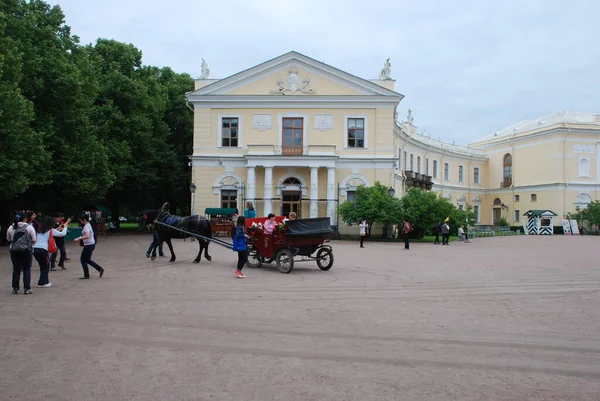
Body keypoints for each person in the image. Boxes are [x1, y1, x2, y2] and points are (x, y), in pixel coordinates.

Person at [7, 211, 37, 294]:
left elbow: (9, 239)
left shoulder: (11, 227)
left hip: (14, 250)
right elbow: (34, 239)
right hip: (26, 250)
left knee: (16, 269)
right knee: (26, 269)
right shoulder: (29, 227)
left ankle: (15, 288)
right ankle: (27, 288)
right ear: (25, 218)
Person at [33, 217, 64, 288]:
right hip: (43, 250)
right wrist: (65, 228)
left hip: (35, 249)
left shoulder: (39, 230)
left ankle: (45, 281)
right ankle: (41, 283)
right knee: (46, 266)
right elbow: (62, 234)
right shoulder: (50, 230)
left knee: (43, 265)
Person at [73, 213, 105, 279]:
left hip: (89, 245)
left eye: (81, 220)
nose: (80, 222)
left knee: (83, 260)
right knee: (87, 259)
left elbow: (87, 236)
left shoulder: (86, 226)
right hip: (90, 244)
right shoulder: (88, 225)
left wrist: (79, 238)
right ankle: (99, 269)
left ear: (84, 220)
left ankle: (87, 275)